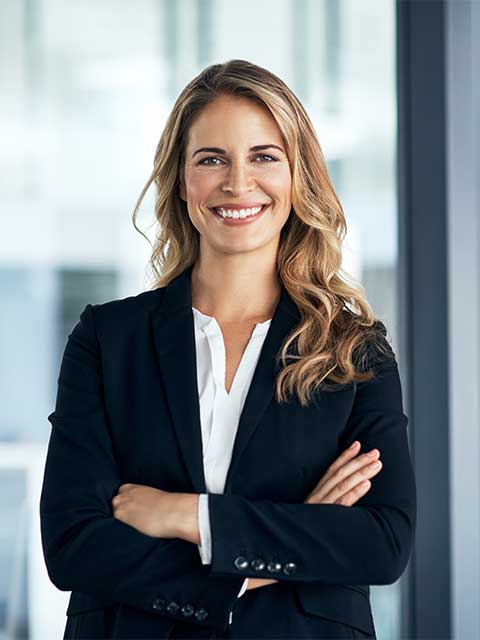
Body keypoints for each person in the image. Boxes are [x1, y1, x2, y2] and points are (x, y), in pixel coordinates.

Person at [39, 59, 417, 640]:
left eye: (264, 157)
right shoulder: (107, 340)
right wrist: (291, 537)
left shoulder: (352, 352)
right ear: (181, 179)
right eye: (211, 158)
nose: (238, 183)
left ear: (298, 177)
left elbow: (382, 543)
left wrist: (187, 516)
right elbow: (73, 544)